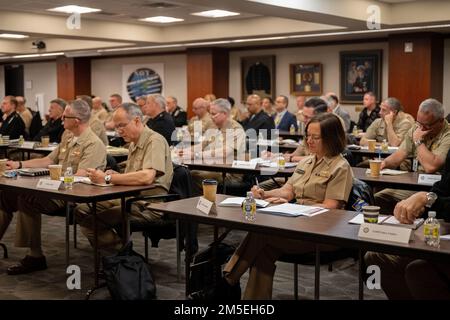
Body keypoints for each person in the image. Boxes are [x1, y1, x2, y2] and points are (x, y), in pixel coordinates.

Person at [198, 113, 353, 300]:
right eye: (307, 136)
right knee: (263, 251)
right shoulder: (307, 161)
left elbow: (331, 206)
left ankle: (225, 283)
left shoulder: (340, 167)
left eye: (315, 137)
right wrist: (264, 194)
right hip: (297, 224)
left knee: (262, 233)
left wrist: (296, 208)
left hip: (321, 232)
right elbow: (288, 191)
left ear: (330, 138)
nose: (308, 141)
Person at [0, 99, 106, 274]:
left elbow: (81, 175)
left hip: (72, 193)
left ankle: (35, 256)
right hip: (56, 187)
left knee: (26, 198)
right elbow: (48, 160)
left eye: (65, 116)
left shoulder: (93, 144)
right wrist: (19, 164)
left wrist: (51, 179)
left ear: (77, 120)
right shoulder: (69, 137)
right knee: (5, 196)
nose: (60, 119)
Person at [74, 103, 173, 251]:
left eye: (122, 125)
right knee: (81, 209)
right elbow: (136, 174)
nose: (119, 131)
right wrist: (118, 175)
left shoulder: (154, 141)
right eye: (116, 127)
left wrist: (107, 179)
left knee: (91, 223)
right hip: (129, 198)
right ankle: (119, 253)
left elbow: (146, 177)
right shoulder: (134, 143)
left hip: (146, 205)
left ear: (137, 121)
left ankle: (122, 258)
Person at [365, 149, 450, 300]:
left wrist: (428, 199)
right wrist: (422, 202)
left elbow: (431, 167)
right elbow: (443, 188)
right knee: (376, 256)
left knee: (418, 270)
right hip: (443, 222)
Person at [375, 98, 450, 214]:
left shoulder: (447, 134)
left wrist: (418, 141)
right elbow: (399, 156)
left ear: (440, 121)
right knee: (378, 198)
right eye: (419, 123)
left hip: (435, 188)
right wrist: (384, 163)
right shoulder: (416, 128)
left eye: (427, 125)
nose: (421, 128)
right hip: (414, 182)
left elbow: (431, 167)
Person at [177, 98, 246, 194]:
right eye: (210, 113)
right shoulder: (214, 127)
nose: (211, 117)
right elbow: (202, 145)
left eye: (213, 114)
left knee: (190, 175)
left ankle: (196, 201)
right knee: (181, 173)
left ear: (225, 114)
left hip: (228, 172)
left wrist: (196, 155)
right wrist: (182, 151)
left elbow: (224, 152)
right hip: (210, 166)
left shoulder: (236, 129)